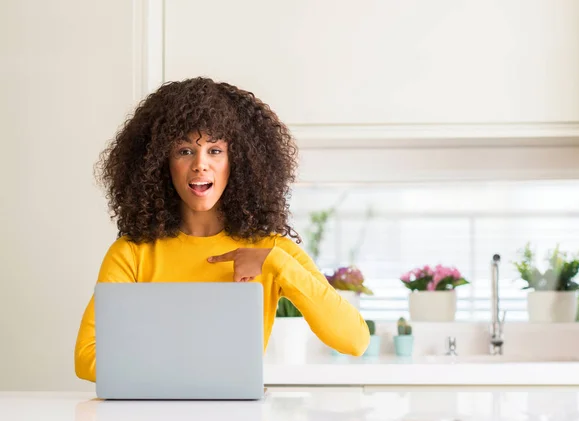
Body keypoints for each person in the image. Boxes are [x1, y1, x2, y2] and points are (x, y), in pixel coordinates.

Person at [74, 76, 370, 382]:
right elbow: (87, 357)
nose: (200, 165)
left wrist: (276, 263)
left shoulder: (272, 251)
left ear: (237, 162)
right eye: (185, 151)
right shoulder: (133, 253)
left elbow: (354, 340)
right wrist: (190, 376)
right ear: (161, 163)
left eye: (215, 151)